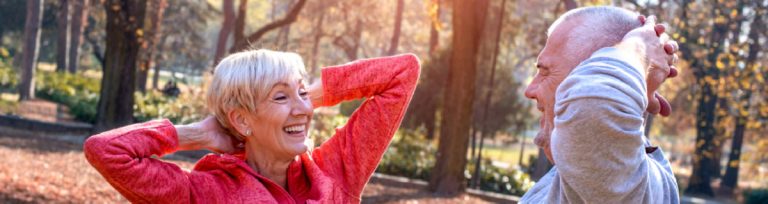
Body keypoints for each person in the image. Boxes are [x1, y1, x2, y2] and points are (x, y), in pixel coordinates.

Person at [84, 49, 421, 203]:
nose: (302, 109)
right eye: (279, 97)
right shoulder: (205, 192)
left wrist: (305, 98)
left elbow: (402, 73)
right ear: (242, 119)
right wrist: (197, 134)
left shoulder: (336, 173)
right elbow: (106, 151)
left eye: (300, 93)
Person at [520, 6, 680, 203]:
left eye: (545, 71)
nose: (530, 90)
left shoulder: (627, 181)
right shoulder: (578, 176)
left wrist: (639, 47)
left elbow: (591, 105)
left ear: (588, 75)